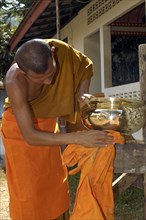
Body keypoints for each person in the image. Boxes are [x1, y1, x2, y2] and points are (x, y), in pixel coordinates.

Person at [1, 39, 114, 220]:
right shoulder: (14, 82)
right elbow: (30, 136)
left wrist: (81, 93)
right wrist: (78, 138)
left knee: (55, 184)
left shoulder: (59, 50)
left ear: (52, 52)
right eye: (40, 79)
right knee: (29, 193)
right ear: (22, 72)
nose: (49, 81)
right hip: (20, 131)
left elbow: (84, 65)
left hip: (47, 123)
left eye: (51, 72)